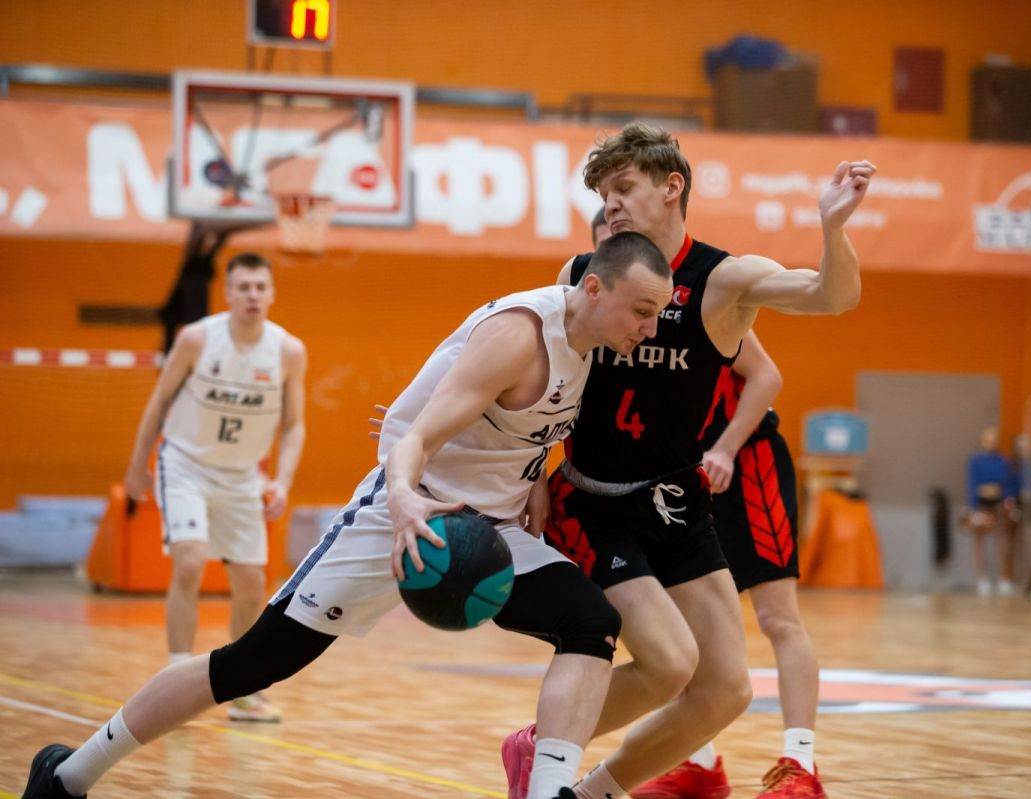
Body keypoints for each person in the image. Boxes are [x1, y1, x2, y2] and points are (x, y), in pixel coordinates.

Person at [22, 231, 675, 799]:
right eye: (642, 311)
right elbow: (414, 438)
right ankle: (70, 773)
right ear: (593, 288)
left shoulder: (591, 340)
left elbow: (521, 424)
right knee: (252, 664)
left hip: (489, 529)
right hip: (402, 513)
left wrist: (533, 480)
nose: (648, 329)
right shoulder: (518, 334)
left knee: (590, 621)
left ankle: (550, 788)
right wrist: (403, 499)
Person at [508, 122, 873, 799]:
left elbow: (832, 296)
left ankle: (586, 787)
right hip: (594, 502)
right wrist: (530, 473)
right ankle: (549, 744)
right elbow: (546, 383)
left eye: (624, 187)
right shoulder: (583, 274)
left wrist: (832, 226)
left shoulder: (722, 279)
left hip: (675, 502)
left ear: (672, 186)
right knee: (671, 661)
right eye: (604, 194)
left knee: (726, 689)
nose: (612, 204)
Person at [592, 202, 824, 795]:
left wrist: (724, 447)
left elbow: (767, 375)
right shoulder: (614, 317)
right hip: (677, 479)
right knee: (679, 636)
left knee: (777, 616)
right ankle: (699, 762)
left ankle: (801, 763)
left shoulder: (704, 296)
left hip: (742, 457)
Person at [123, 252, 307, 722]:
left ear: (272, 293)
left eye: (260, 287)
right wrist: (137, 464)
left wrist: (282, 481)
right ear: (227, 294)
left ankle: (241, 690)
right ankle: (174, 683)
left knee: (252, 582)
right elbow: (159, 400)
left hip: (244, 476)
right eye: (243, 287)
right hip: (186, 464)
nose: (252, 295)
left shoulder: (288, 351)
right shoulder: (196, 339)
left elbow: (294, 425)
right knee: (189, 560)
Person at [962, 427, 1019, 596]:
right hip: (981, 504)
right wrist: (973, 509)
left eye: (994, 440)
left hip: (999, 504)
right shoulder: (975, 461)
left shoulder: (1002, 461)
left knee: (1003, 541)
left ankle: (1003, 578)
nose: (991, 443)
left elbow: (1007, 484)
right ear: (982, 441)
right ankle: (982, 579)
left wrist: (1007, 501)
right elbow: (972, 484)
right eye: (988, 440)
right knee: (979, 541)